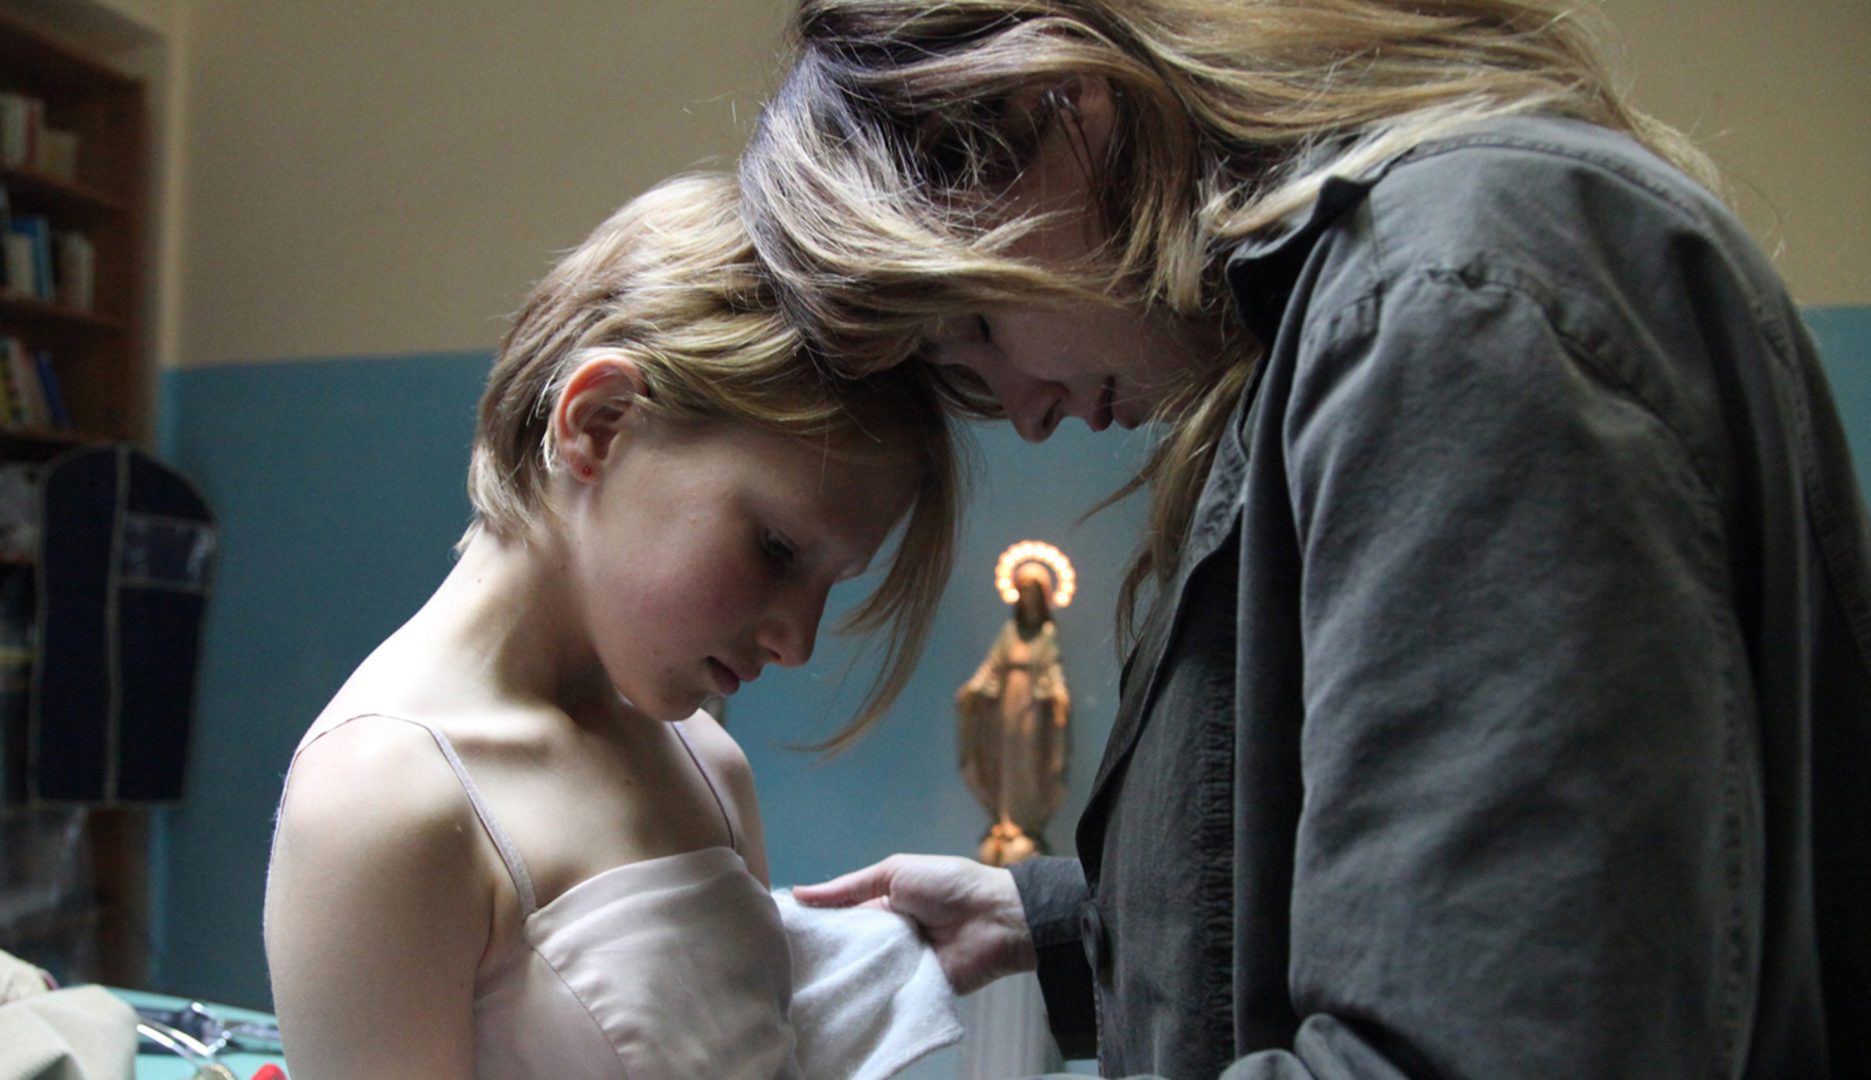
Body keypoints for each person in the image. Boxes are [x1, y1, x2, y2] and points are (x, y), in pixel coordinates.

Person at [736, 2, 1871, 1077]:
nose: (1025, 415)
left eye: (979, 329)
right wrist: (1058, 924)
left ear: (1061, 102)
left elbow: (1470, 1043)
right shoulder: (1387, 303)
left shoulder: (1444, 311)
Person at [263, 173, 962, 1080]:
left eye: (833, 583)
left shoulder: (707, 765)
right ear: (600, 425)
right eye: (778, 549)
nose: (797, 643)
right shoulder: (382, 801)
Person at [957, 561, 1071, 867]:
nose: (1028, 600)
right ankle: (1006, 820)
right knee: (1006, 762)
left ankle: (1025, 824)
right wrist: (973, 690)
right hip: (1007, 706)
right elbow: (991, 666)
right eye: (1024, 594)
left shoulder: (1045, 634)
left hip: (1032, 710)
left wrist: (1059, 694)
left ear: (1042, 598)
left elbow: (1053, 669)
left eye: (1033, 594)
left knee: (1028, 764)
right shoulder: (1010, 632)